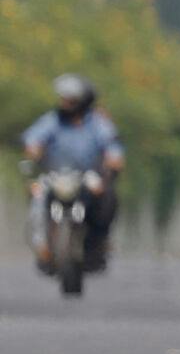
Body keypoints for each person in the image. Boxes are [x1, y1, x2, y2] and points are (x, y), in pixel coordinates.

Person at [21, 75, 124, 273]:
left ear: (82, 101)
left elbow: (112, 146)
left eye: (70, 100)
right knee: (37, 196)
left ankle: (97, 244)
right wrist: (34, 148)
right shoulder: (52, 121)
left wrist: (113, 160)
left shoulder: (97, 123)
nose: (64, 104)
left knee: (107, 198)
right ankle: (42, 246)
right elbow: (33, 138)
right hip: (55, 175)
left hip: (87, 176)